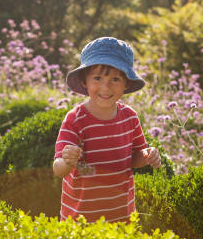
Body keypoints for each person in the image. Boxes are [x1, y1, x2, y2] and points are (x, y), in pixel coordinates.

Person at [53, 36, 161, 223]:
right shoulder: (75, 120)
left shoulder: (130, 117)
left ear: (126, 83)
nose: (105, 86)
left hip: (121, 216)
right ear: (84, 81)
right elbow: (58, 169)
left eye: (115, 79)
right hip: (80, 221)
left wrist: (147, 155)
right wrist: (68, 160)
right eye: (97, 78)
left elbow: (134, 158)